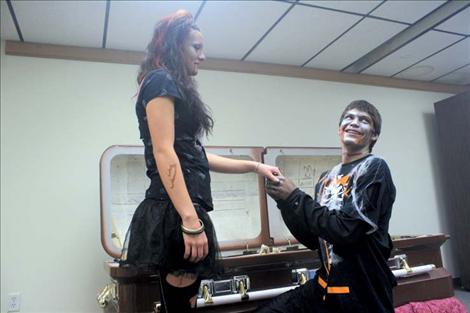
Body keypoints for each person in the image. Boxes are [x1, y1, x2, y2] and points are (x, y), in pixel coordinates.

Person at [119, 10, 280, 313]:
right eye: (196, 47)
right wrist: (190, 221)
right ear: (175, 46)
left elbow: (194, 155)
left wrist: (254, 167)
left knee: (184, 301)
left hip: (182, 209)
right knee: (180, 303)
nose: (203, 56)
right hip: (177, 210)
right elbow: (164, 152)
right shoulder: (161, 81)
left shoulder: (169, 84)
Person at [262, 100, 396, 313]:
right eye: (349, 117)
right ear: (339, 128)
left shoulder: (374, 167)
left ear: (374, 135)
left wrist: (295, 196)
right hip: (325, 288)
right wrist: (285, 201)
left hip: (362, 294)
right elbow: (315, 238)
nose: (354, 122)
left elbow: (347, 230)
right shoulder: (327, 178)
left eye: (364, 120)